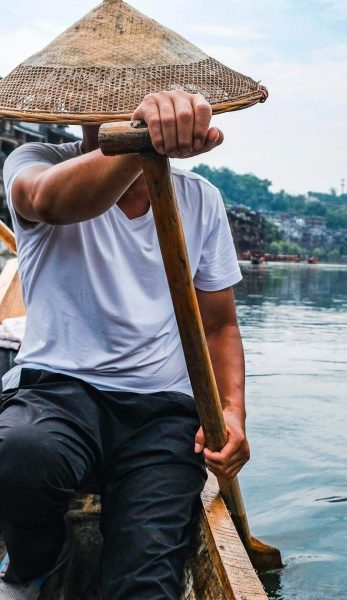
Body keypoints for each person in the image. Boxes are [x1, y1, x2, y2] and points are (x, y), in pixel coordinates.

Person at [0, 90, 249, 599]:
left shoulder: (200, 199)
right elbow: (47, 200)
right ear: (84, 103)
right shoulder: (35, 161)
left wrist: (232, 413)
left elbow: (218, 324)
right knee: (17, 455)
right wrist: (143, 145)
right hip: (58, 393)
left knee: (144, 582)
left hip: (161, 413)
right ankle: (39, 559)